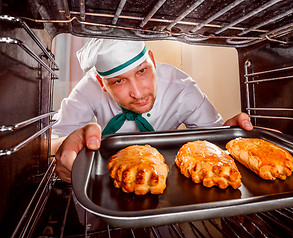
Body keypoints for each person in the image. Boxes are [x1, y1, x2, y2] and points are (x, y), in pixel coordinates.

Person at [51, 38, 253, 182]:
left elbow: (214, 140)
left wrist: (230, 136)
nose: (138, 93)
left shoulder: (181, 87)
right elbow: (53, 142)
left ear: (153, 61)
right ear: (101, 83)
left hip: (164, 186)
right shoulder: (88, 88)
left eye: (142, 71)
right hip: (104, 183)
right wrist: (61, 149)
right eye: (119, 81)